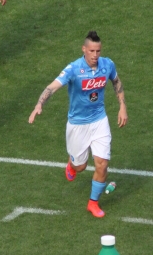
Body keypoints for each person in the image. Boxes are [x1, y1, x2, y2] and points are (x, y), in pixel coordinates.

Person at [29, 31, 128, 218]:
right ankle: (72, 164)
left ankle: (93, 203)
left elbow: (116, 82)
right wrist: (39, 104)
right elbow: (52, 87)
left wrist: (122, 106)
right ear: (84, 49)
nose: (95, 55)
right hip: (78, 125)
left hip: (99, 121)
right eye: (91, 51)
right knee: (80, 167)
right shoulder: (73, 69)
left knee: (102, 165)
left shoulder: (107, 64)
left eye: (98, 51)